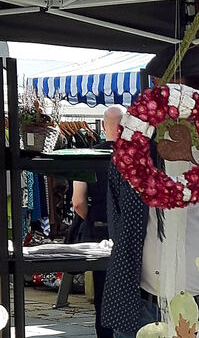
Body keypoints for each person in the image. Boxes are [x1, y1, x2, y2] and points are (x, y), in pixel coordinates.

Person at [102, 46, 199, 337]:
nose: (163, 99)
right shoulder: (134, 151)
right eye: (159, 88)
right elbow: (118, 223)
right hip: (141, 306)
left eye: (172, 90)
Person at [69, 105, 124, 338]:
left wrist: (92, 219)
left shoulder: (87, 157)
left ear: (103, 127)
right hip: (133, 232)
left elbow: (78, 202)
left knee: (103, 295)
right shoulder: (137, 159)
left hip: (100, 233)